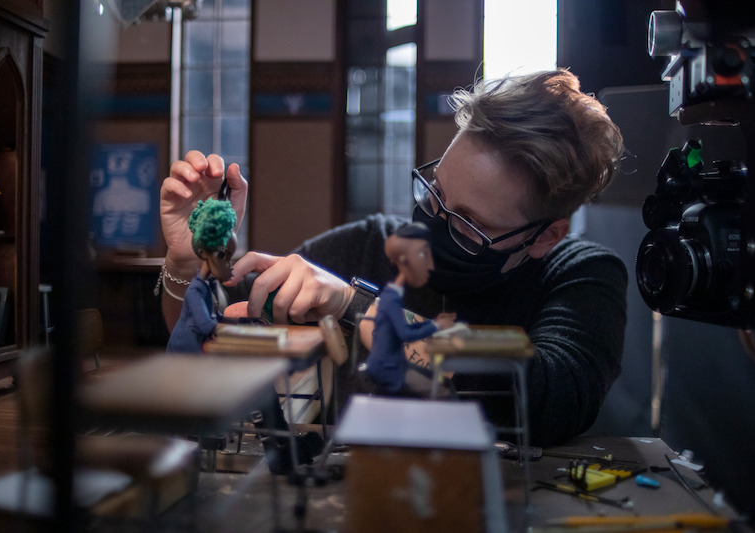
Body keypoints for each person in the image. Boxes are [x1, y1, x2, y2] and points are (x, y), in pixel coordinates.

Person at [159, 68, 627, 447]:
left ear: (545, 237)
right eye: (434, 192)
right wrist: (189, 263)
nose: (433, 223)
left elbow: (552, 397)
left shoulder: (582, 274)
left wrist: (354, 306)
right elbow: (206, 327)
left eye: (468, 222)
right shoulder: (368, 246)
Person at [365, 222, 456, 394]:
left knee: (443, 389)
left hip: (394, 364)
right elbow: (405, 334)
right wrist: (435, 325)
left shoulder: (395, 293)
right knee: (443, 393)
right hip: (387, 368)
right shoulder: (391, 299)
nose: (430, 266)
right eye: (423, 255)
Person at [166, 197, 237, 353]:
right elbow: (206, 325)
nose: (230, 266)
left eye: (230, 258)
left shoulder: (209, 285)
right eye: (222, 256)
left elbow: (215, 316)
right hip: (187, 348)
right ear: (203, 253)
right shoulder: (195, 291)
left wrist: (243, 322)